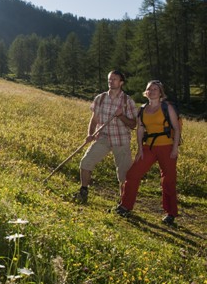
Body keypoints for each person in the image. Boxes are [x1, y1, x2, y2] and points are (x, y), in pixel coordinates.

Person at [115, 80, 181, 225]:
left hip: (167, 147)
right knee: (132, 174)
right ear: (146, 92)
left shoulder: (167, 107)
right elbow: (140, 129)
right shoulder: (142, 109)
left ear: (160, 92)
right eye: (149, 89)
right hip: (148, 147)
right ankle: (125, 206)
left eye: (155, 89)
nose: (152, 91)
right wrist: (139, 149)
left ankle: (170, 213)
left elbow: (176, 128)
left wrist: (175, 148)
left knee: (168, 180)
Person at [72, 70, 137, 203]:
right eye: (109, 79)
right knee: (85, 163)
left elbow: (132, 124)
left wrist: (121, 116)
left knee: (124, 173)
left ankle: (123, 203)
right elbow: (94, 119)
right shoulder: (100, 98)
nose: (111, 82)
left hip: (121, 140)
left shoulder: (127, 101)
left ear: (121, 82)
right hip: (103, 138)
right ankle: (83, 191)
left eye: (114, 79)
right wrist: (90, 134)